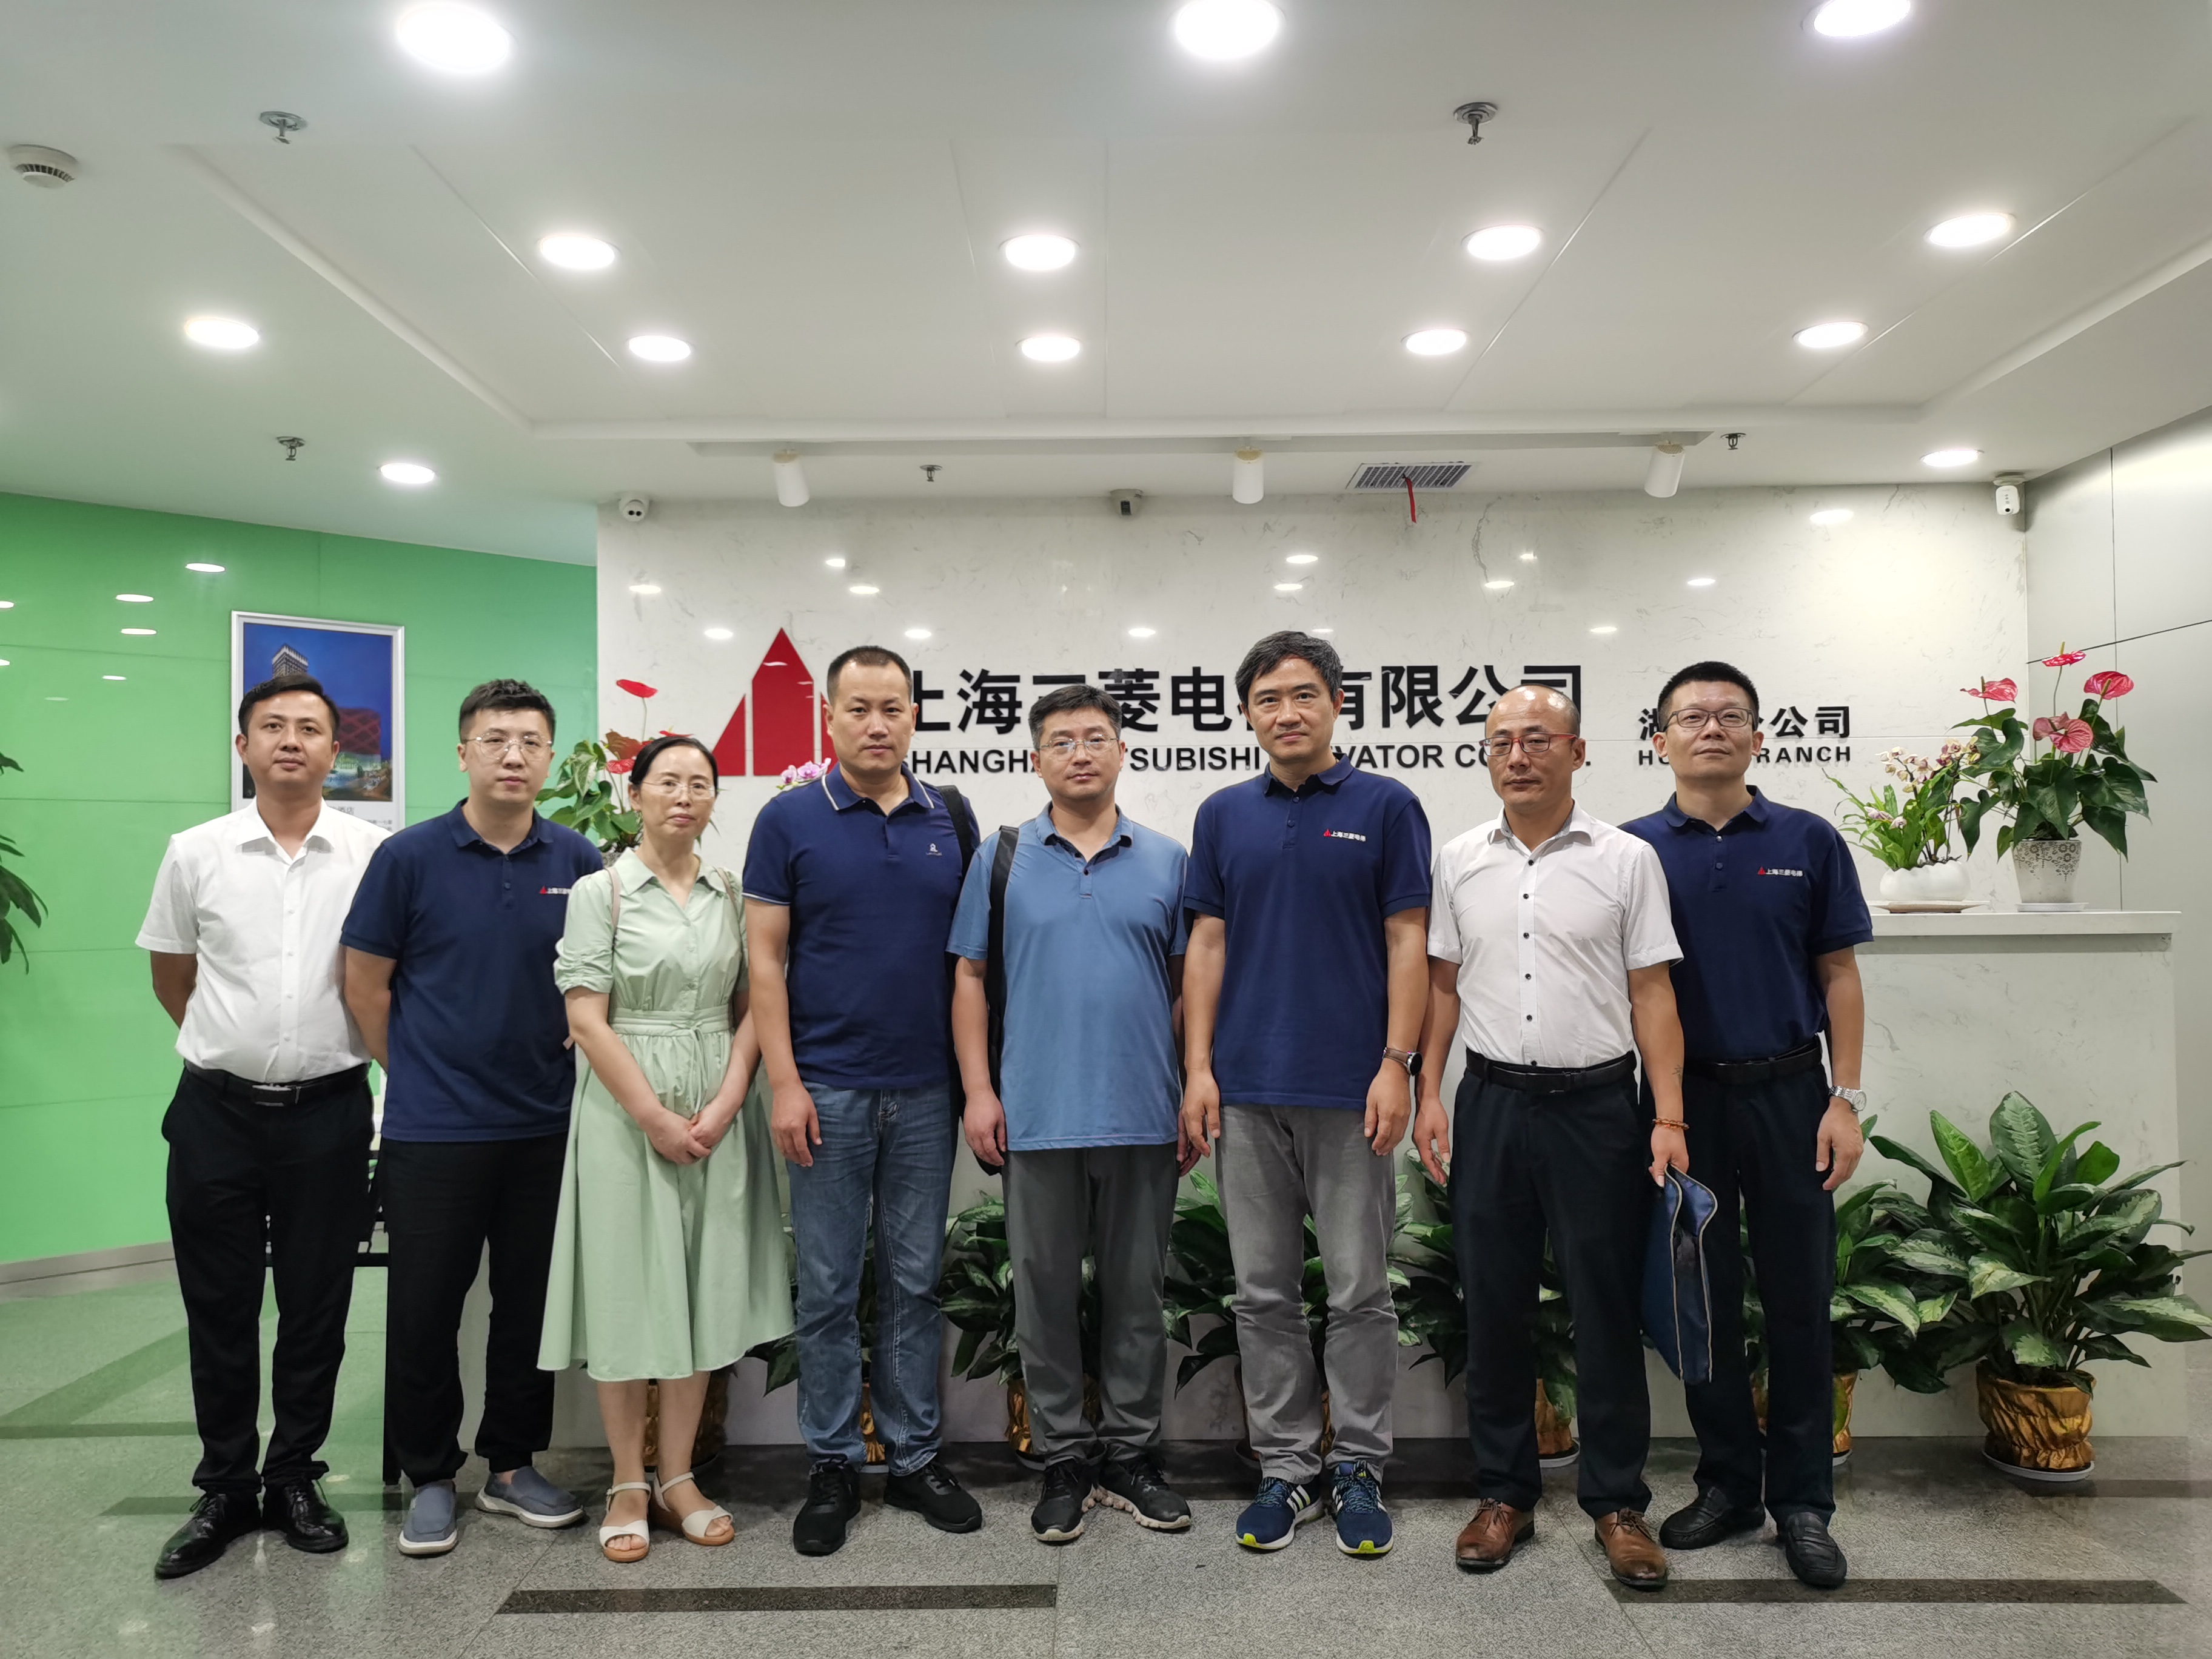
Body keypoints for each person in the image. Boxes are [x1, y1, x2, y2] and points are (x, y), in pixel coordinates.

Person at [1415, 683, 1687, 1589]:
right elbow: (1443, 986)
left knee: (1604, 1307)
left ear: (1578, 751)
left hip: (1598, 1110)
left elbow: (1653, 992)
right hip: (1492, 1103)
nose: (1518, 756)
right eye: (1501, 742)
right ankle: (1505, 1495)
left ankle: (1616, 1504)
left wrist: (1669, 1115)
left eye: (1537, 739)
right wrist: (1428, 1093)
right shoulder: (1460, 859)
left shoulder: (1627, 859)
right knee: (1493, 1304)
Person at [1179, 630, 1432, 1558]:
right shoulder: (1223, 815)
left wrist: (1397, 1063)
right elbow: (1208, 944)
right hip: (1247, 1090)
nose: (1286, 713)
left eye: (1303, 695)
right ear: (1248, 714)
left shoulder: (1387, 806)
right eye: (1267, 699)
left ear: (1336, 704)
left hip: (1352, 1090)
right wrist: (1199, 1068)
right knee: (1262, 1294)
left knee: (1361, 1291)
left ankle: (1359, 1465)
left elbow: (1408, 939)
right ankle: (1286, 1467)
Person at [1620, 661, 1869, 1590]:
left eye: (1730, 716)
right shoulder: (1633, 849)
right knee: (1700, 1302)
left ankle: (1803, 1503)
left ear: (1760, 737)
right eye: (1691, 717)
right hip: (1683, 1107)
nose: (1711, 729)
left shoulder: (1807, 840)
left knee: (1800, 1297)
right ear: (1661, 740)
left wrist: (1846, 1098)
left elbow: (1839, 975)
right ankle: (1728, 1483)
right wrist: (1662, 1110)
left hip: (1793, 1095)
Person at [341, 679, 604, 1556]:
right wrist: (416, 1072)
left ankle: (512, 1465)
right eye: (495, 740)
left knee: (528, 1308)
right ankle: (429, 1475)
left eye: (530, 742)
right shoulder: (408, 857)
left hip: (546, 1125)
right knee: (425, 1309)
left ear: (549, 757)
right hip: (434, 1132)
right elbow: (364, 987)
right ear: (463, 754)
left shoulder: (578, 860)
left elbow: (600, 982)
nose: (513, 756)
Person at [138, 674, 388, 1580]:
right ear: (242, 746)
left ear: (335, 752)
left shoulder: (373, 853)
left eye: (310, 729)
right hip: (216, 1115)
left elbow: (383, 977)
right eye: (272, 726)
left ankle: (293, 1479)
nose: (291, 740)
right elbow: (173, 977)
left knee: (318, 1306)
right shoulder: (195, 852)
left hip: (330, 1114)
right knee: (220, 1305)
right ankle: (225, 1487)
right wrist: (237, 1052)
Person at [743, 645, 984, 1556]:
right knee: (830, 1288)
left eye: (893, 708)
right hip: (827, 1091)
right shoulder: (789, 819)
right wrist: (785, 1082)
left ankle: (916, 1457)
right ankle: (835, 1463)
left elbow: (970, 964)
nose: (876, 725)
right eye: (858, 709)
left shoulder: (949, 817)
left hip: (925, 1090)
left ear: (914, 716)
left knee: (915, 1281)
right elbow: (766, 959)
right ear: (829, 718)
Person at [540, 734, 793, 1563]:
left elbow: (757, 1003)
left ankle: (679, 1476)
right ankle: (626, 1480)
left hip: (718, 1101)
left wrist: (726, 1102)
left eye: (700, 784)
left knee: (701, 1289)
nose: (684, 797)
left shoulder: (733, 893)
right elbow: (586, 1018)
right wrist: (653, 1116)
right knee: (627, 1291)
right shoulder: (601, 891)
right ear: (636, 794)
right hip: (623, 1108)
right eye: (667, 782)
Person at [951, 684, 1193, 1545]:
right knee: (1044, 1297)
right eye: (1061, 741)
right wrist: (979, 1091)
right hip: (1036, 1113)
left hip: (1143, 1116)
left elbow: (1187, 987)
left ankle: (1129, 1455)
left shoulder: (1167, 860)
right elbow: (970, 978)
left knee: (1137, 1297)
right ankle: (1062, 1457)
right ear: (1036, 759)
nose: (1080, 753)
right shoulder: (1002, 857)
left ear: (1123, 751)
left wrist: (1187, 1082)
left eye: (1096, 738)